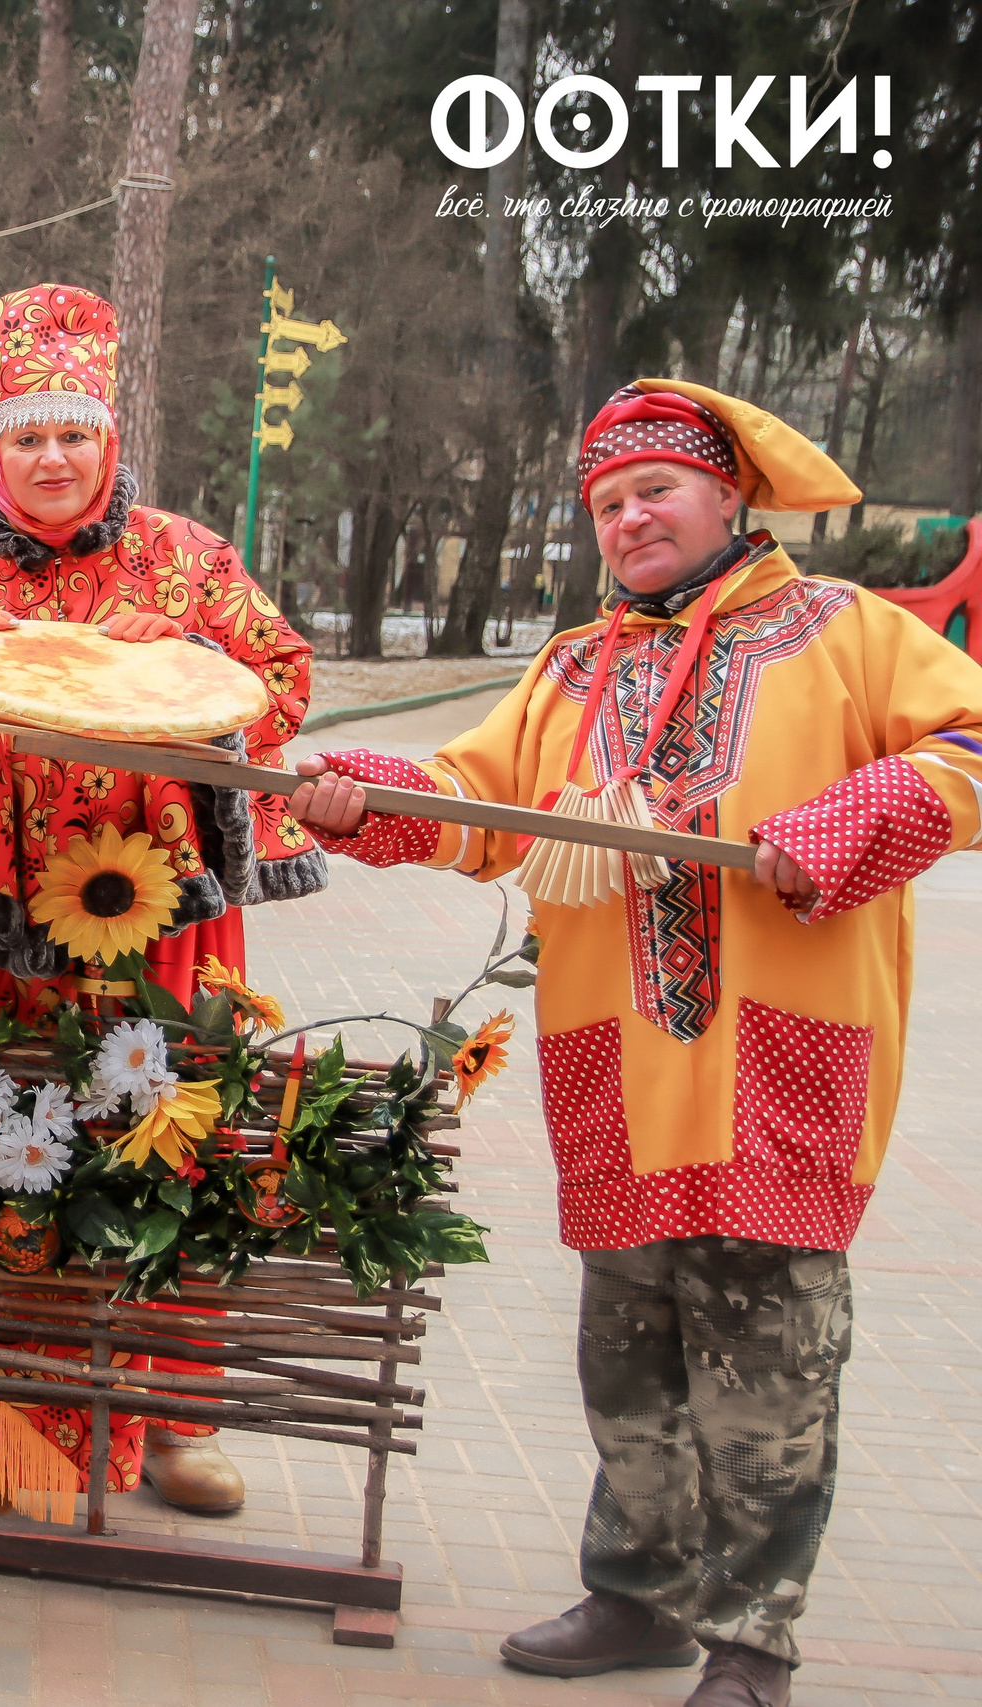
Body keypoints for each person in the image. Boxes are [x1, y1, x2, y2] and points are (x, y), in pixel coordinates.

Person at [289, 379, 982, 1707]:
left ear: (729, 495)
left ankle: (752, 1641)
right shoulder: (569, 668)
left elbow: (971, 743)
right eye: (607, 501)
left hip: (785, 1046)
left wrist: (852, 819)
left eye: (655, 489)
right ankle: (636, 1593)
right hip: (616, 1052)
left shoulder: (846, 633)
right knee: (627, 1348)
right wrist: (360, 798)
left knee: (770, 1357)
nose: (630, 517)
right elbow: (477, 799)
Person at [0, 283, 325, 1520]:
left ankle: (173, 1415)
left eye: (73, 433)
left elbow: (281, 675)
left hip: (162, 920)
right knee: (3, 1140)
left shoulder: (188, 562)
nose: (52, 458)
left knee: (164, 1131)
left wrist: (176, 667)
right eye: (26, 435)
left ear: (110, 442)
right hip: (2, 934)